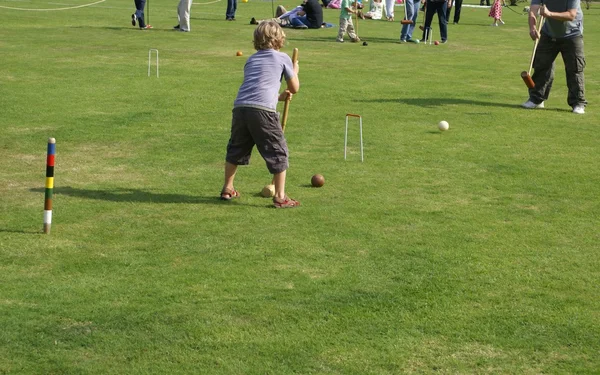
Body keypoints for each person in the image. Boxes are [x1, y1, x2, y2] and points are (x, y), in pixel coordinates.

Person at [221, 21, 301, 208]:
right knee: (278, 151)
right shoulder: (283, 58)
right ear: (279, 39)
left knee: (236, 148)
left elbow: (258, 85)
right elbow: (295, 88)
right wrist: (295, 71)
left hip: (241, 108)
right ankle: (280, 196)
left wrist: (279, 96)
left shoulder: (252, 59)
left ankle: (227, 188)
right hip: (263, 111)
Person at [522, 0, 586, 114]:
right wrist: (532, 27)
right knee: (541, 66)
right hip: (549, 33)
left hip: (572, 34)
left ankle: (578, 103)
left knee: (575, 68)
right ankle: (536, 99)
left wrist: (549, 14)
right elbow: (533, 11)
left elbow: (571, 15)